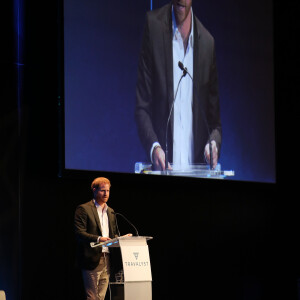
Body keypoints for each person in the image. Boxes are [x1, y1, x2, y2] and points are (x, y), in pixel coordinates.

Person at [135, 0, 222, 170]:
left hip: (196, 178)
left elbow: (215, 126)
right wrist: (155, 148)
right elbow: (142, 108)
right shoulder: (154, 27)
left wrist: (212, 145)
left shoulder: (207, 44)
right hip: (162, 174)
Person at [74, 177, 118, 300]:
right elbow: (79, 233)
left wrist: (121, 239)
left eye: (108, 191)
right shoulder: (84, 209)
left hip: (107, 258)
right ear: (94, 190)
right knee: (92, 297)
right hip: (92, 259)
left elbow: (113, 234)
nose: (106, 194)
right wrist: (99, 239)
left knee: (101, 296)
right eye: (103, 191)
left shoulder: (111, 211)